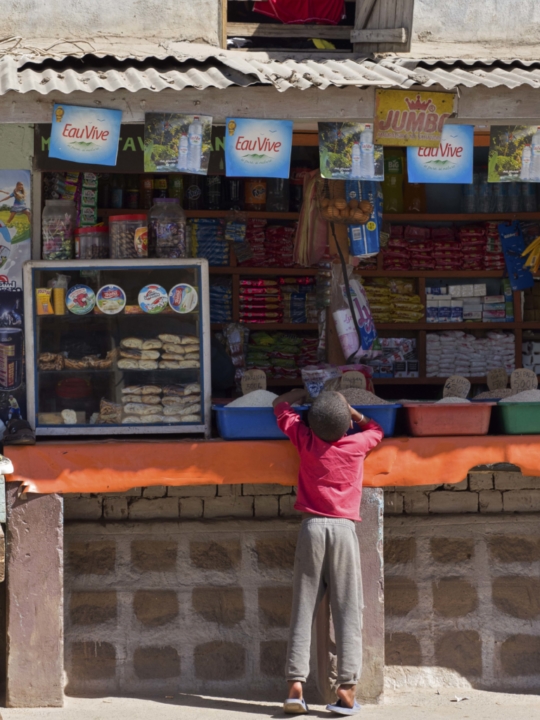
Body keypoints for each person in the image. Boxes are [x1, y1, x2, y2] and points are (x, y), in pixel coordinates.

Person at [272, 388, 384, 716]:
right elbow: (377, 429)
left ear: (311, 423)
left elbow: (281, 408)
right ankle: (347, 688)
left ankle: (295, 686)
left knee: (303, 607)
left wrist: (298, 394)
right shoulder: (357, 444)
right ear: (346, 423)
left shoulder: (305, 439)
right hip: (344, 531)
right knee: (348, 609)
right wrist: (355, 414)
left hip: (311, 529)